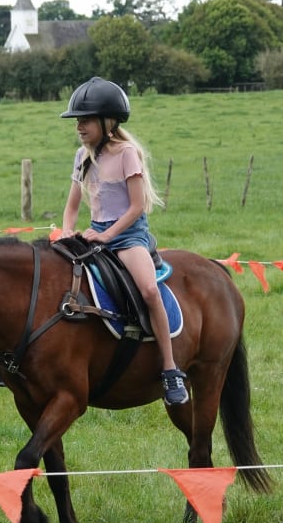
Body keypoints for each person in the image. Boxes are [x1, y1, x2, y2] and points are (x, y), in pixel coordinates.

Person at [57, 77, 189, 406]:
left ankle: (170, 368)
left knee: (149, 290)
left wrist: (107, 236)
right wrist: (67, 232)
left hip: (128, 236)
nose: (79, 127)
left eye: (86, 120)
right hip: (94, 233)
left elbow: (136, 207)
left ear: (108, 122)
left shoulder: (127, 153)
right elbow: (72, 206)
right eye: (77, 120)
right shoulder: (81, 156)